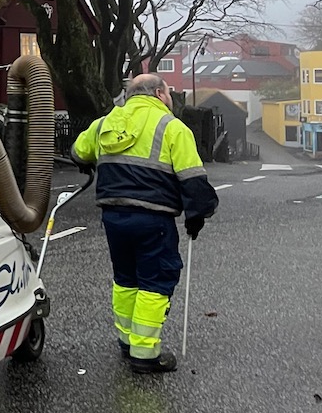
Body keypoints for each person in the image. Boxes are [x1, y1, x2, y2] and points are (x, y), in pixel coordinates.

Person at [73, 74, 218, 374]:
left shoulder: (105, 124)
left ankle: (127, 341)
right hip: (154, 219)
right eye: (169, 93)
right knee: (156, 280)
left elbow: (78, 151)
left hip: (113, 217)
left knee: (126, 279)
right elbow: (193, 180)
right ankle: (145, 353)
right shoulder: (172, 128)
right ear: (160, 93)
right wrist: (197, 215)